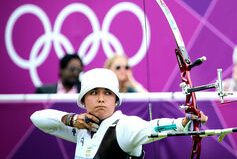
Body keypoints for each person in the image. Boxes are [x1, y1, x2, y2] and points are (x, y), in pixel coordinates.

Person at [30, 68, 208, 158]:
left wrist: (183, 123)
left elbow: (152, 127)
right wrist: (71, 119)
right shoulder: (81, 128)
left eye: (107, 93)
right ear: (83, 101)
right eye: (94, 93)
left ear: (116, 100)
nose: (101, 99)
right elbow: (37, 118)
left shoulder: (125, 127)